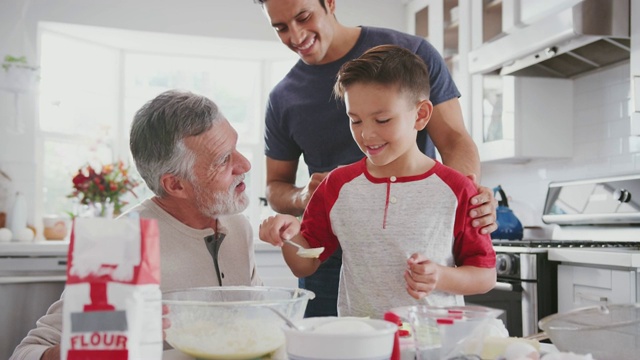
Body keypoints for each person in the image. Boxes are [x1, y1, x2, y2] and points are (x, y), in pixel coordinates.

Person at [254, 0, 498, 317]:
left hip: (421, 249)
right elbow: (278, 192)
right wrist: (299, 209)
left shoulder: (412, 52)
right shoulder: (283, 98)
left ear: (329, 3)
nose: (296, 35)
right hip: (335, 252)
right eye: (281, 27)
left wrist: (467, 197)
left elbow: (453, 139)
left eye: (303, 17)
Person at [10, 90, 263, 360]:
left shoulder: (238, 226)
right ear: (175, 184)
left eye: (235, 148)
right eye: (223, 160)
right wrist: (97, 346)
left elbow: (257, 325)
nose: (244, 164)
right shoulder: (120, 243)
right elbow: (27, 352)